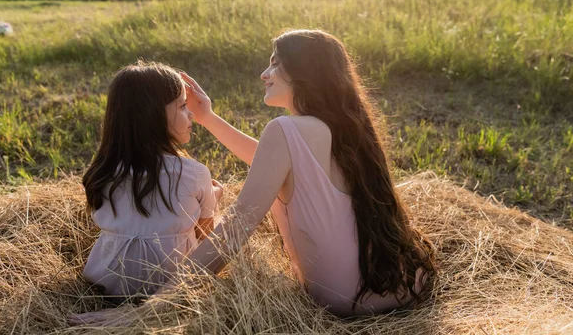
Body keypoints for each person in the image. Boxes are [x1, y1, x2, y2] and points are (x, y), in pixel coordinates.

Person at [70, 30, 436, 325]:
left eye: (276, 64)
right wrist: (209, 117)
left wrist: (146, 309)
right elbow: (265, 161)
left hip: (341, 296)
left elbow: (236, 225)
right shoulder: (338, 126)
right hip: (398, 283)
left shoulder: (286, 130)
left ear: (304, 74)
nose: (264, 73)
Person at [81, 61, 223, 303]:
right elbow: (204, 237)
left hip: (106, 284)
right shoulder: (193, 173)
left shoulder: (102, 170)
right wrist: (213, 201)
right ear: (152, 115)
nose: (190, 114)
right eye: (182, 106)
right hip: (171, 288)